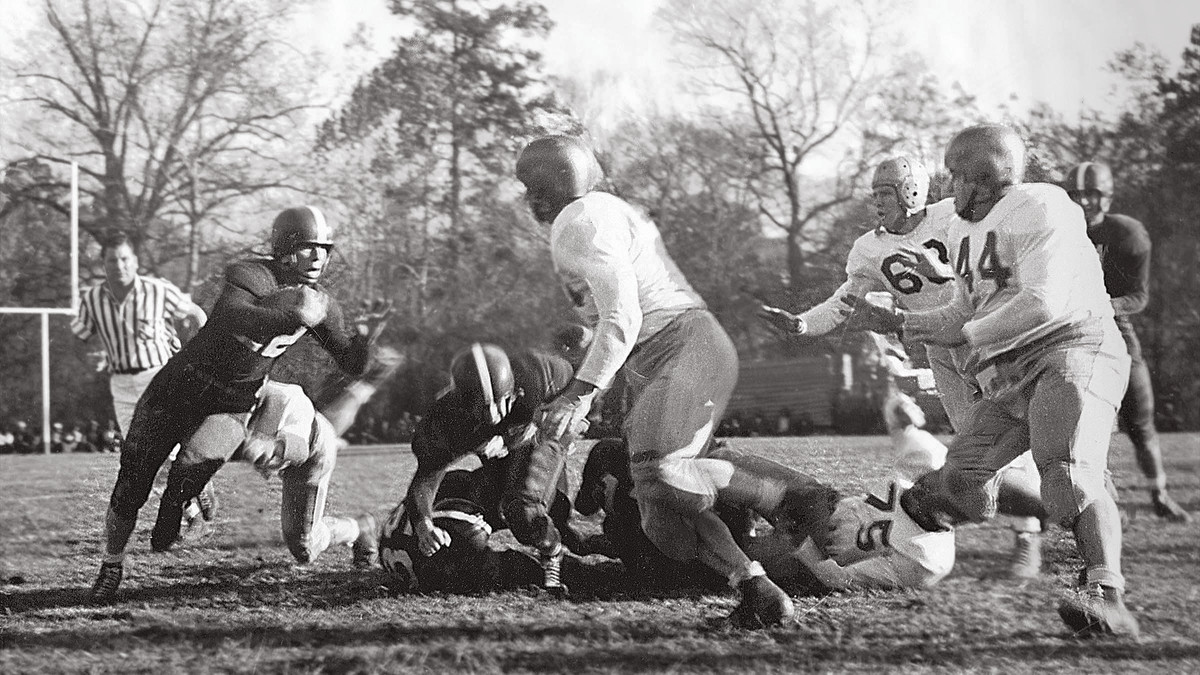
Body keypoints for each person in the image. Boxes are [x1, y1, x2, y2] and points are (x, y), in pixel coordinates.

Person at [845, 125, 1138, 636]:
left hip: (1073, 345)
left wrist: (970, 332)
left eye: (955, 176)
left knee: (1066, 470)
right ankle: (1082, 509)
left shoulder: (1042, 206)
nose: (947, 188)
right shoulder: (961, 231)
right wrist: (899, 324)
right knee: (965, 480)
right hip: (1012, 369)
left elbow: (1042, 301)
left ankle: (1104, 591)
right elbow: (963, 307)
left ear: (981, 180)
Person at [517, 134, 813, 628]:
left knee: (664, 475)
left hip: (682, 345)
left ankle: (783, 494)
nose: (528, 199)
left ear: (548, 185)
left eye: (530, 186)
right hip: (659, 356)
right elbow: (617, 322)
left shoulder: (580, 220)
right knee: (661, 522)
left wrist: (578, 394)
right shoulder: (598, 212)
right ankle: (756, 587)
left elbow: (623, 318)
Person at [758, 156, 1047, 578]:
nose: (876, 201)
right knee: (973, 440)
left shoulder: (952, 215)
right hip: (940, 349)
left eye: (884, 192)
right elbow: (844, 303)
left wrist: (945, 273)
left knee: (1006, 435)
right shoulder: (869, 247)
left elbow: (990, 271)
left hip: (984, 338)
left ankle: (1030, 534)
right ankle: (1033, 519)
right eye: (874, 193)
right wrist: (802, 325)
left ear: (911, 190)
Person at [88, 205, 389, 603]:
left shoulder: (321, 304)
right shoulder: (252, 274)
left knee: (190, 471)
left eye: (324, 249)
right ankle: (111, 563)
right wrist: (288, 314)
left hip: (231, 401)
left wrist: (366, 339)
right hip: (178, 388)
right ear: (284, 248)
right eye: (308, 247)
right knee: (132, 485)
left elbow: (351, 362)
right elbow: (235, 315)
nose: (318, 257)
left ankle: (180, 502)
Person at [154, 348, 401, 568]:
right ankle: (365, 386)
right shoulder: (214, 405)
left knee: (304, 549)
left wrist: (273, 446)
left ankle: (359, 528)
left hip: (311, 456)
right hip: (292, 446)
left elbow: (299, 451)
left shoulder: (286, 398)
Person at [398, 342, 583, 596]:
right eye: (481, 408)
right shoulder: (444, 421)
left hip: (539, 435)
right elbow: (426, 479)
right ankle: (560, 538)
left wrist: (572, 413)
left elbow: (580, 381)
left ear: (517, 391)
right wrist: (423, 524)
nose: (492, 415)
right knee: (501, 504)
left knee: (524, 509)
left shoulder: (537, 372)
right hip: (506, 450)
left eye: (499, 403)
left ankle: (553, 554)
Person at [1064, 161, 1190, 523]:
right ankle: (1092, 499)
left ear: (1106, 197)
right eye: (1077, 195)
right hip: (1067, 332)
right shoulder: (1058, 231)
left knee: (1140, 418)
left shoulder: (1126, 234)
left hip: (1115, 329)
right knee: (1078, 422)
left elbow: (1139, 296)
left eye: (1091, 194)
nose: (1085, 201)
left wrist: (1104, 305)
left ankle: (1159, 493)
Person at [71, 231, 215, 522]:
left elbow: (196, 314)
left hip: (160, 379)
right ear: (103, 263)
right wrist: (102, 353)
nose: (119, 266)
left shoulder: (157, 290)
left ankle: (197, 489)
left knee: (170, 451)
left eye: (125, 259)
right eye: (112, 260)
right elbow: (81, 334)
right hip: (123, 387)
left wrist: (198, 350)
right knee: (142, 459)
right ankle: (193, 511)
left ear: (134, 261)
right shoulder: (92, 299)